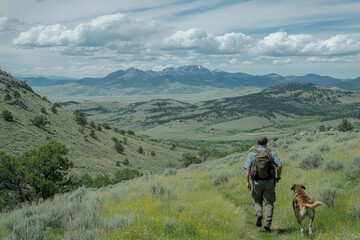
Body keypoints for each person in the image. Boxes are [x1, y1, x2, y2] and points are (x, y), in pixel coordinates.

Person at [244, 136, 282, 232]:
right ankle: (267, 225)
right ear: (266, 143)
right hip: (269, 182)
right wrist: (278, 177)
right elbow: (279, 166)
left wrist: (247, 182)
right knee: (269, 203)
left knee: (257, 201)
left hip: (256, 182)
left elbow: (247, 169)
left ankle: (259, 213)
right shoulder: (271, 153)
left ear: (257, 143)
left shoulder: (252, 154)